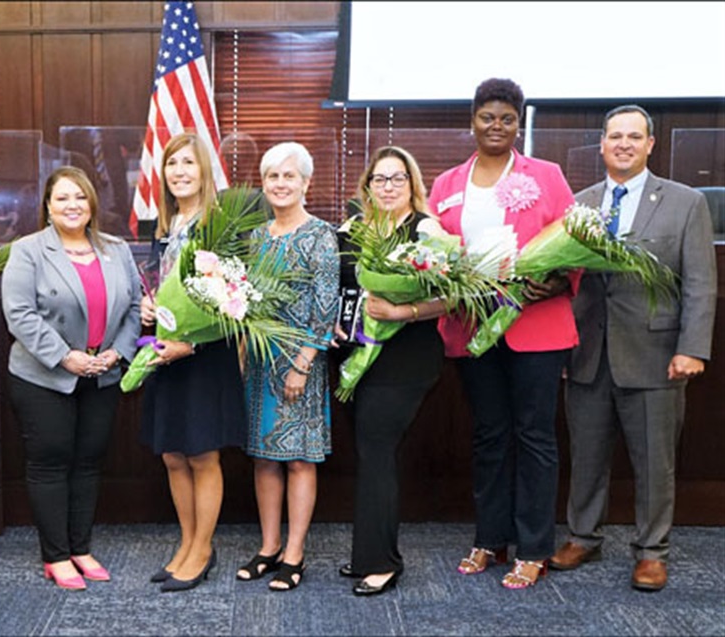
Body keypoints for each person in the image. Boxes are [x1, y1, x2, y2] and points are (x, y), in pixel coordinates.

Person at [552, 105, 717, 592]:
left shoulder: (686, 202)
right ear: (601, 145)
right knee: (585, 455)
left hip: (655, 355)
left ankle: (651, 552)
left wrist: (693, 349)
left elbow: (701, 285)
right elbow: (568, 284)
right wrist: (562, 350)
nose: (623, 143)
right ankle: (583, 536)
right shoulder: (579, 204)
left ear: (650, 145)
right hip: (586, 354)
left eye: (634, 136)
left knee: (654, 462)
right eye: (615, 136)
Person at [428, 78, 578, 590]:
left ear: (519, 123)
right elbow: (434, 253)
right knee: (489, 434)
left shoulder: (547, 174)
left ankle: (534, 546)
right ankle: (490, 538)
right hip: (474, 330)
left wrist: (554, 280)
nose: (496, 126)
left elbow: (574, 242)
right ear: (472, 120)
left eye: (506, 118)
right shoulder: (447, 184)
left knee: (534, 436)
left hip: (536, 327)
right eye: (487, 117)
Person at [2, 166, 142, 591]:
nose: (72, 205)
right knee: (50, 461)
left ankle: (81, 548)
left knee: (88, 463)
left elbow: (135, 307)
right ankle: (56, 556)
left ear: (92, 203)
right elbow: (19, 315)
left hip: (101, 375)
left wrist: (119, 352)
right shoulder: (27, 251)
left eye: (80, 197)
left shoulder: (117, 249)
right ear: (47, 205)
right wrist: (66, 357)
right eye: (62, 198)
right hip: (43, 376)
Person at [334, 146, 447, 596]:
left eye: (397, 178)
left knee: (377, 450)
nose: (387, 187)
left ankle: (383, 562)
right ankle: (367, 554)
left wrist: (406, 311)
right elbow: (339, 290)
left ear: (412, 185)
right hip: (352, 360)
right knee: (368, 452)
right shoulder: (352, 231)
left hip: (405, 361)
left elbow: (453, 297)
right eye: (379, 179)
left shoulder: (427, 232)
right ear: (367, 186)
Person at [139, 133, 248, 593]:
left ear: (204, 170)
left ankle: (203, 548)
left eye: (188, 163)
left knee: (202, 453)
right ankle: (185, 543)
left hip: (206, 355)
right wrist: (149, 311)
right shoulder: (163, 225)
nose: (179, 172)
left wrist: (193, 344)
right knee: (172, 454)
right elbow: (163, 287)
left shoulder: (220, 227)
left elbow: (238, 301)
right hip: (166, 353)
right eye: (171, 165)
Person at [239, 142, 338, 592]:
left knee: (298, 459)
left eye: (289, 176)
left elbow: (326, 306)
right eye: (272, 177)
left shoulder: (320, 235)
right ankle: (269, 546)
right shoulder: (256, 238)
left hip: (302, 362)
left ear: (305, 183)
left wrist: (302, 364)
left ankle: (295, 552)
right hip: (259, 364)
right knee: (263, 458)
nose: (280, 184)